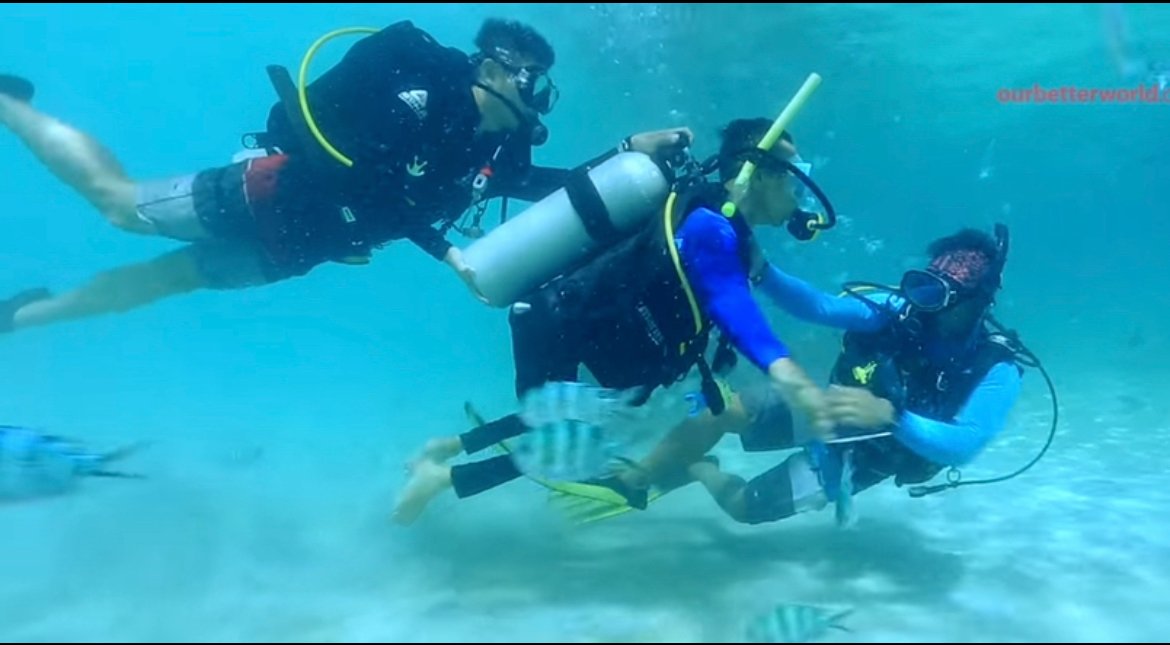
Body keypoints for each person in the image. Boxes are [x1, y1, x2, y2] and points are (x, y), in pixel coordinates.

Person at [0, 18, 689, 334]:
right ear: (497, 69)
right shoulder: (420, 96)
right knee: (119, 205)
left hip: (303, 245)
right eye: (535, 84)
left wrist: (630, 150)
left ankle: (23, 317)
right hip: (267, 194)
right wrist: (446, 252)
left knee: (162, 282)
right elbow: (370, 182)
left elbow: (551, 187)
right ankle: (11, 106)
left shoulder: (493, 151)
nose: (539, 102)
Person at [392, 116, 840, 525]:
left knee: (564, 417)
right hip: (563, 328)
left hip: (563, 324)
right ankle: (442, 477)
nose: (800, 189)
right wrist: (791, 378)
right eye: (795, 174)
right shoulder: (713, 228)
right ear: (761, 175)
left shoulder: (713, 216)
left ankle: (449, 447)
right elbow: (734, 308)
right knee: (569, 445)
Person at [583, 225, 1027, 526]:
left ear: (977, 302)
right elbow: (821, 307)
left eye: (940, 295)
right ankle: (634, 479)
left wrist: (892, 418)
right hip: (830, 407)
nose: (922, 303)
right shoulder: (898, 309)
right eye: (924, 286)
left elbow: (965, 445)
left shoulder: (998, 366)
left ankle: (700, 469)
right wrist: (763, 271)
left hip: (868, 457)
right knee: (724, 410)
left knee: (744, 508)